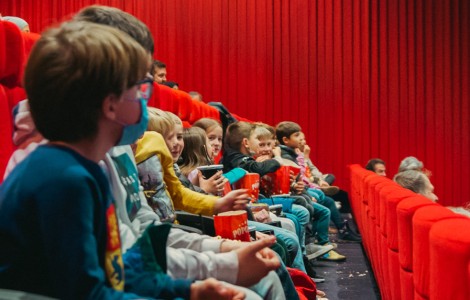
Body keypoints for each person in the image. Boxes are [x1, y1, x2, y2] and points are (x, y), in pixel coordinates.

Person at [0, 20, 201, 299]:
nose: (146, 100)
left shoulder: (89, 168)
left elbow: (117, 267)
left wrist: (189, 291)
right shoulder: (63, 179)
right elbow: (89, 293)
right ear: (110, 105)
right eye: (139, 90)